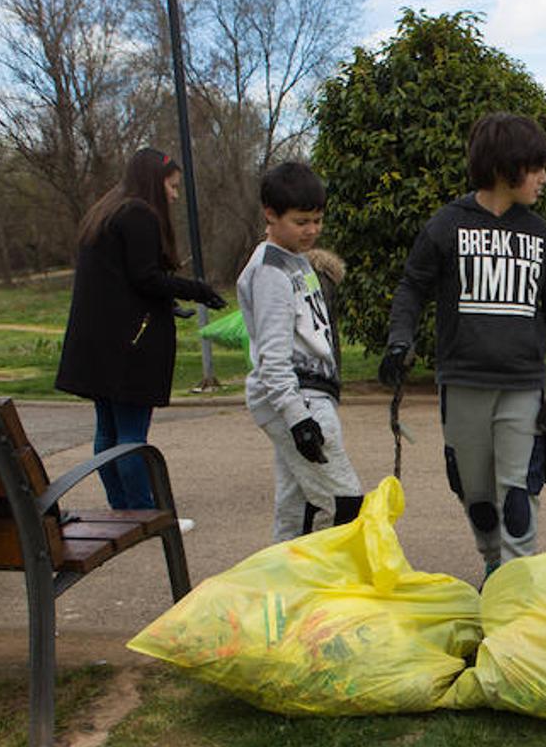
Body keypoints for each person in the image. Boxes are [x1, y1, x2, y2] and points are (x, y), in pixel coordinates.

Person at [378, 111, 546, 584]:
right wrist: (399, 341)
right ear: (505, 166)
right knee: (475, 492)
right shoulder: (447, 225)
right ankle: (493, 563)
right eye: (536, 167)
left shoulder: (538, 233)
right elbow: (412, 287)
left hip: (521, 387)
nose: (544, 178)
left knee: (518, 492)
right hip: (463, 381)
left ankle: (514, 583)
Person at [55, 147, 226, 514]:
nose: (175, 195)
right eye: (172, 186)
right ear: (155, 181)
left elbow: (121, 282)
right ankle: (144, 511)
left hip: (99, 344)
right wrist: (198, 291)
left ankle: (122, 507)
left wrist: (168, 303)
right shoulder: (139, 214)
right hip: (129, 347)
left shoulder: (105, 212)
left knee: (107, 432)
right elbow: (145, 277)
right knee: (131, 435)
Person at [237, 162, 362, 542]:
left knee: (295, 505)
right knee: (342, 502)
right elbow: (272, 358)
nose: (311, 231)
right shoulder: (271, 272)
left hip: (312, 391)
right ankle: (320, 586)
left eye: (317, 220)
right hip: (296, 397)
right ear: (270, 215)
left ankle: (282, 587)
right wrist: (298, 419)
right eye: (301, 221)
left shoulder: (296, 262)